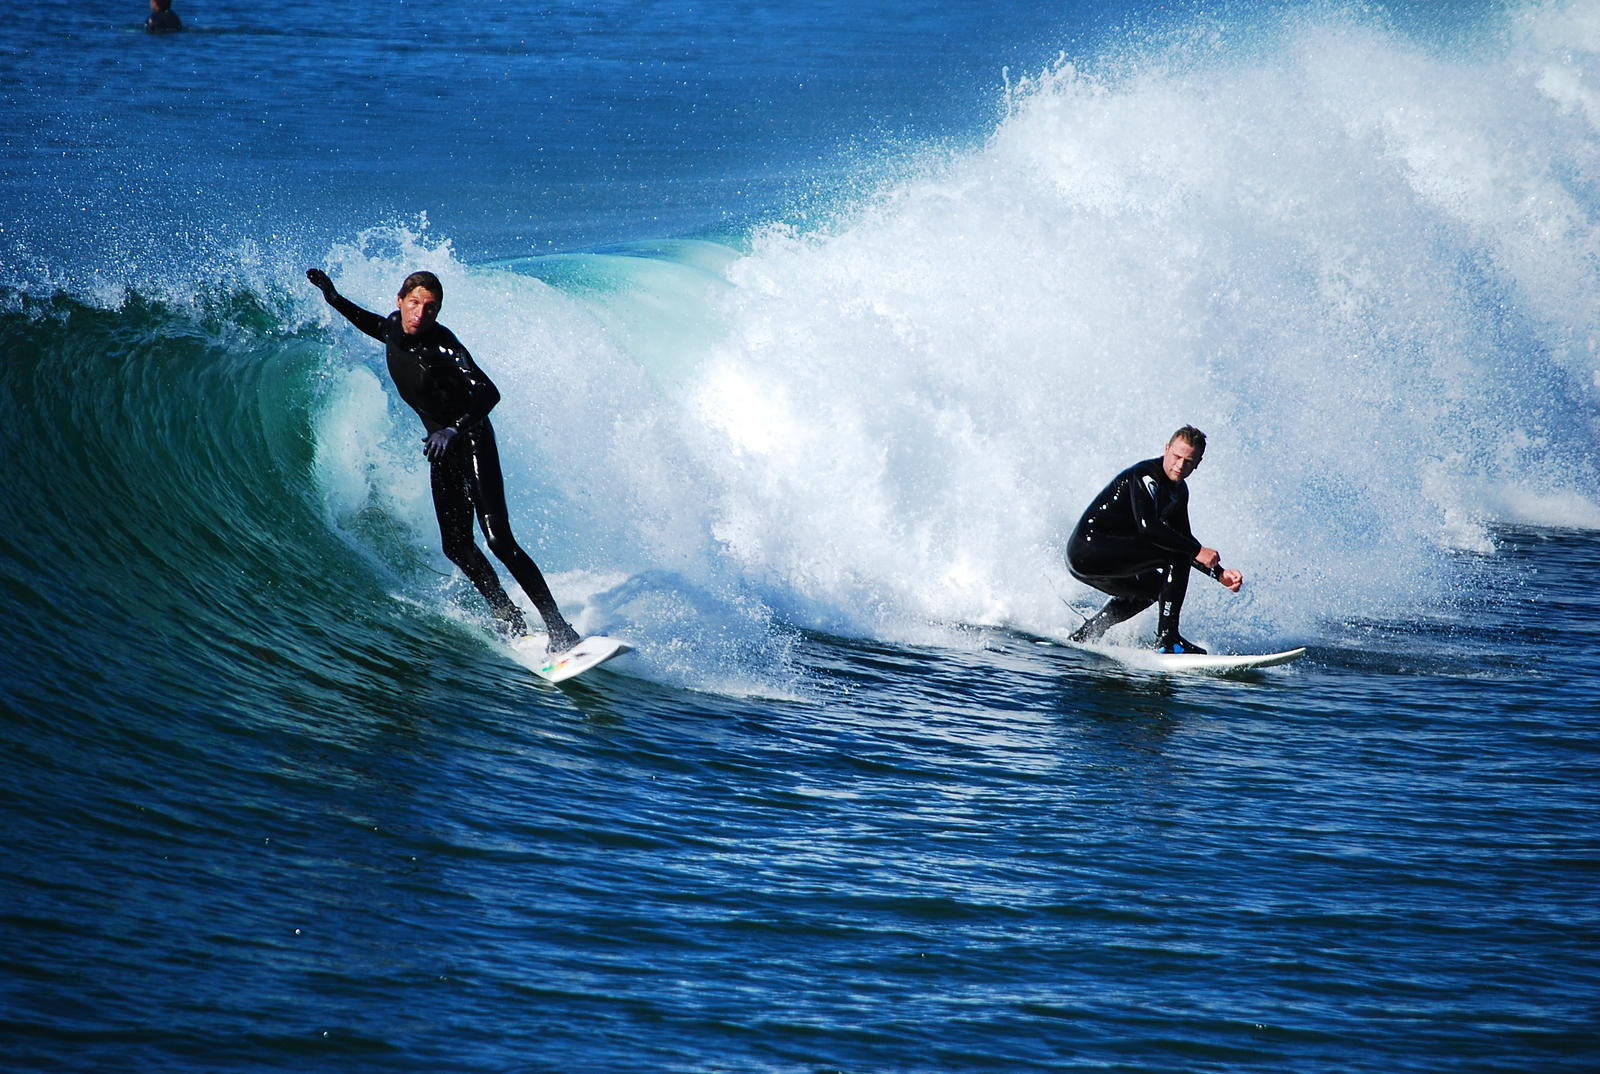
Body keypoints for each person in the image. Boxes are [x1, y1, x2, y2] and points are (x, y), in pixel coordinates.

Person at [307, 267, 581, 652]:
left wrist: (453, 429)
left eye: (430, 308)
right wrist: (333, 298)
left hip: (471, 442)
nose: (420, 314)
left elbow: (489, 391)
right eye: (414, 304)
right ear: (400, 302)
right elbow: (369, 322)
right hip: (443, 450)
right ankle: (507, 615)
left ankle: (560, 628)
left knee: (499, 540)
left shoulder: (442, 345)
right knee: (455, 545)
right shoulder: (391, 329)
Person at [1065, 426, 1243, 654]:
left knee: (1156, 588)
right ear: (1166, 449)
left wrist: (1219, 574)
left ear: (1198, 463)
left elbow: (1181, 539)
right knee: (1176, 556)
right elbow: (1150, 528)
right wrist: (1197, 549)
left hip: (1103, 556)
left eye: (1188, 461)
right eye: (1177, 457)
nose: (1180, 465)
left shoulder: (1179, 491)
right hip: (1088, 549)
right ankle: (1168, 641)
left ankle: (1087, 634)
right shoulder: (1146, 474)